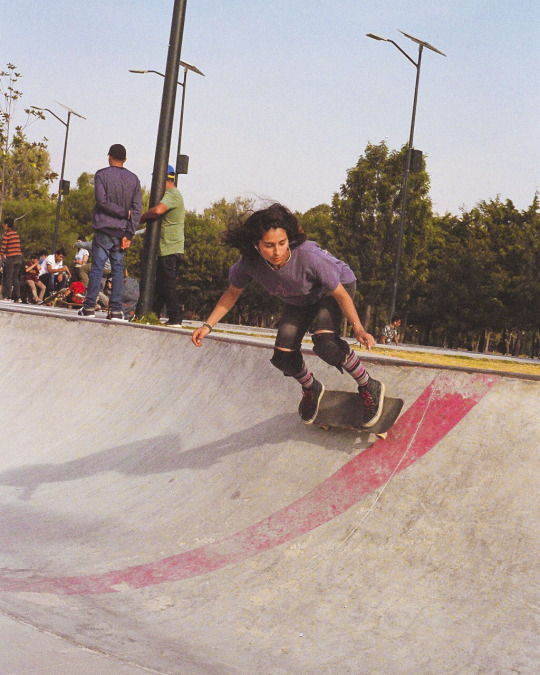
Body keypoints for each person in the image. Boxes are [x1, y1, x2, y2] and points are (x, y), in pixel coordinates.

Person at [191, 203, 385, 427]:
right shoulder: (248, 264)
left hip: (331, 292)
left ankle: (368, 384)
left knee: (325, 343)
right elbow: (231, 294)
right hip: (299, 300)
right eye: (269, 246)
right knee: (283, 356)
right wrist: (207, 326)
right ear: (256, 245)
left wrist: (358, 329)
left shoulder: (309, 256)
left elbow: (341, 294)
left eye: (282, 244)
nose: (277, 252)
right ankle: (311, 387)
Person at [78, 144, 142, 320]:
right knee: (118, 270)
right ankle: (116, 310)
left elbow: (102, 202)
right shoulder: (134, 179)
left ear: (109, 157)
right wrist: (129, 234)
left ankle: (89, 306)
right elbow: (137, 210)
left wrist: (122, 212)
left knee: (97, 268)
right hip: (121, 233)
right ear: (125, 159)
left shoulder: (101, 175)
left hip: (104, 228)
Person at [139, 164, 185, 326]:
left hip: (170, 249)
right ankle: (152, 314)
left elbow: (158, 210)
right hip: (168, 248)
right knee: (160, 284)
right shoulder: (173, 195)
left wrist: (143, 216)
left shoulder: (172, 194)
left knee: (168, 284)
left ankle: (175, 317)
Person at [0, 217, 23, 302]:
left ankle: (7, 296)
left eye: (4, 224)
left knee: (8, 277)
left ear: (6, 225)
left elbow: (3, 248)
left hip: (11, 258)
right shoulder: (16, 234)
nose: (3, 226)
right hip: (19, 258)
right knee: (15, 278)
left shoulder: (7, 234)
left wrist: (0, 256)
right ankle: (18, 297)